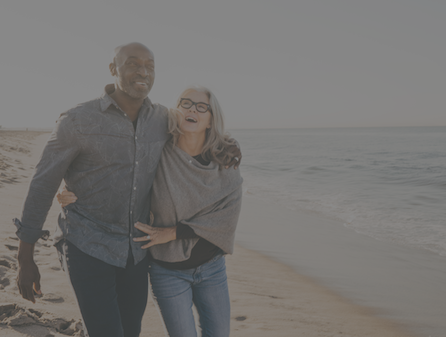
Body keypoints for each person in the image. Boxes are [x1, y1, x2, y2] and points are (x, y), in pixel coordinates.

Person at [14, 42, 241, 337]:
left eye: (150, 66)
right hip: (86, 242)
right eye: (133, 63)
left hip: (135, 252)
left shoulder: (162, 119)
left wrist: (227, 144)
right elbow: (42, 184)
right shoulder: (77, 120)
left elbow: (197, 125)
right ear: (113, 69)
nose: (142, 71)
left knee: (129, 331)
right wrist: (25, 257)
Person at [59, 85, 243, 337]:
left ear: (211, 119)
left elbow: (227, 215)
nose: (192, 110)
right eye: (186, 103)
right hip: (167, 271)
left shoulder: (224, 157)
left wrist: (173, 233)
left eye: (202, 107)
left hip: (212, 268)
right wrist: (71, 188)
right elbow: (117, 169)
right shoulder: (158, 149)